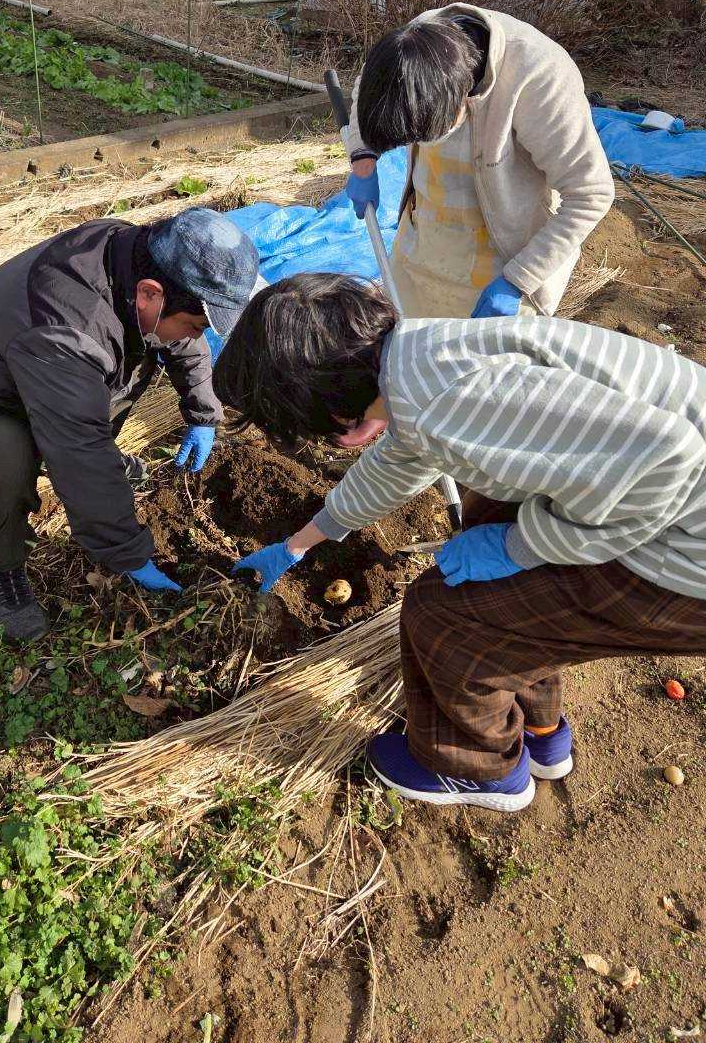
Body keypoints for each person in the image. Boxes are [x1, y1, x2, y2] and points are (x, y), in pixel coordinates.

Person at [213, 274, 706, 813]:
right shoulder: (418, 361)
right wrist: (300, 543)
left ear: (329, 413)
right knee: (492, 517)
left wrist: (524, 545)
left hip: (688, 552)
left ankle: (479, 769)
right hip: (672, 500)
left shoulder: (452, 404)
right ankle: (540, 729)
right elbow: (398, 463)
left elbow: (669, 458)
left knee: (443, 616)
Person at [0, 208, 263, 641]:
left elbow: (182, 334)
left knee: (142, 349)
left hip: (27, 392)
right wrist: (127, 551)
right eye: (195, 324)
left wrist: (203, 413)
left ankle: (74, 464)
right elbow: (79, 449)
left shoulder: (135, 257)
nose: (194, 334)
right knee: (1, 455)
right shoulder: (66, 332)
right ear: (150, 294)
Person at [341, 4, 614, 320]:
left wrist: (519, 279)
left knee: (485, 353)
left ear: (463, 99)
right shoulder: (413, 45)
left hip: (504, 259)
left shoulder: (539, 76)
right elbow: (367, 89)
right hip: (423, 244)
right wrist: (362, 158)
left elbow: (590, 195)